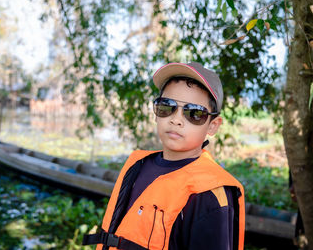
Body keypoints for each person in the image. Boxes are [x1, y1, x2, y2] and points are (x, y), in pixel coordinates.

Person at [83, 62, 245, 250]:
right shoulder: (138, 165)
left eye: (194, 113)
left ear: (213, 125)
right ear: (156, 112)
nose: (176, 120)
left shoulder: (210, 192)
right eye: (167, 106)